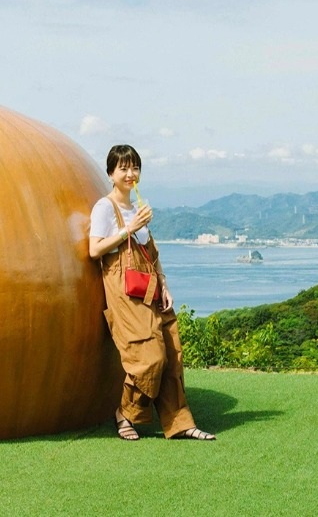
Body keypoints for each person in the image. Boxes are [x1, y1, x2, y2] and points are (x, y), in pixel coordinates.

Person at [88, 144, 216, 441]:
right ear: (110, 174)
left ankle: (181, 422)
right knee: (149, 358)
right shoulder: (105, 208)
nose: (130, 174)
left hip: (152, 288)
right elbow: (94, 249)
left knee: (172, 355)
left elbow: (151, 254)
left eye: (135, 167)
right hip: (125, 292)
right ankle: (126, 413)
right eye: (123, 168)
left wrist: (165, 284)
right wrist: (129, 228)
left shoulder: (138, 208)